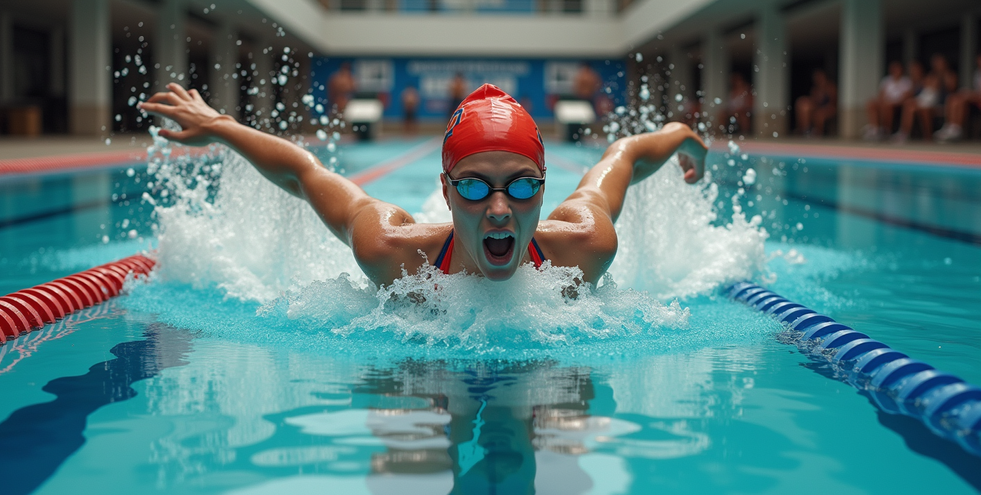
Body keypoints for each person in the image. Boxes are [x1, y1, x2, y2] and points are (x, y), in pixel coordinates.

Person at [138, 83, 707, 288]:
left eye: (522, 187)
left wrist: (680, 133)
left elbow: (625, 156)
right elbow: (306, 173)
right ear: (446, 188)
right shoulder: (393, 252)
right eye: (476, 188)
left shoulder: (584, 245)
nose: (502, 210)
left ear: (543, 185)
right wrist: (223, 128)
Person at [894, 54, 958, 142]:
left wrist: (941, 78)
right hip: (927, 101)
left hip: (940, 104)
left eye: (939, 62)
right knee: (910, 105)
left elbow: (951, 88)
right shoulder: (929, 76)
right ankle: (904, 133)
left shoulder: (950, 75)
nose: (937, 65)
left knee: (921, 108)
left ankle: (928, 137)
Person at [935, 53, 981, 142]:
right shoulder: (977, 74)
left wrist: (971, 95)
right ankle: (949, 126)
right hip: (976, 101)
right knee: (952, 98)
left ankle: (957, 130)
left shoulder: (950, 75)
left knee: (961, 99)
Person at [863, 61, 914, 140]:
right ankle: (874, 128)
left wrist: (892, 101)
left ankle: (886, 130)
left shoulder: (906, 81)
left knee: (888, 106)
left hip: (898, 104)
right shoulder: (886, 80)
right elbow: (881, 95)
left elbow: (906, 96)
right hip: (886, 102)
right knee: (871, 103)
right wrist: (884, 101)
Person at [794, 69, 837, 137]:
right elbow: (814, 101)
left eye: (819, 76)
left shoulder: (831, 87)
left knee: (819, 115)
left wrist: (823, 109)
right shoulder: (815, 89)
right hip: (818, 107)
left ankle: (818, 133)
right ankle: (805, 130)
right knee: (803, 105)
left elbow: (833, 103)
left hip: (830, 108)